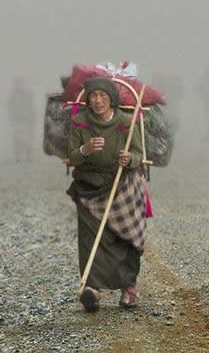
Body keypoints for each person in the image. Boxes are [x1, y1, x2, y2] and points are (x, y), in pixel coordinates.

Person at [66, 77, 146, 311]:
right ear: (88, 100)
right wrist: (85, 149)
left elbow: (139, 154)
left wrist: (130, 159)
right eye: (93, 96)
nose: (98, 100)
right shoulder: (79, 122)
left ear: (112, 98)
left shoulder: (126, 122)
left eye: (103, 96)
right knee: (90, 240)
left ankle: (128, 288)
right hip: (89, 187)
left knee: (125, 238)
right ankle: (92, 289)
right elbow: (71, 156)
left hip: (122, 184)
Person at [7, 76, 36, 163]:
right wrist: (12, 116)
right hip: (18, 120)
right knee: (18, 138)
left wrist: (33, 117)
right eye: (18, 83)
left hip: (27, 119)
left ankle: (28, 155)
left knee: (27, 138)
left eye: (20, 82)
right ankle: (18, 156)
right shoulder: (13, 95)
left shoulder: (28, 93)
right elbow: (10, 107)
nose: (19, 84)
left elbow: (32, 106)